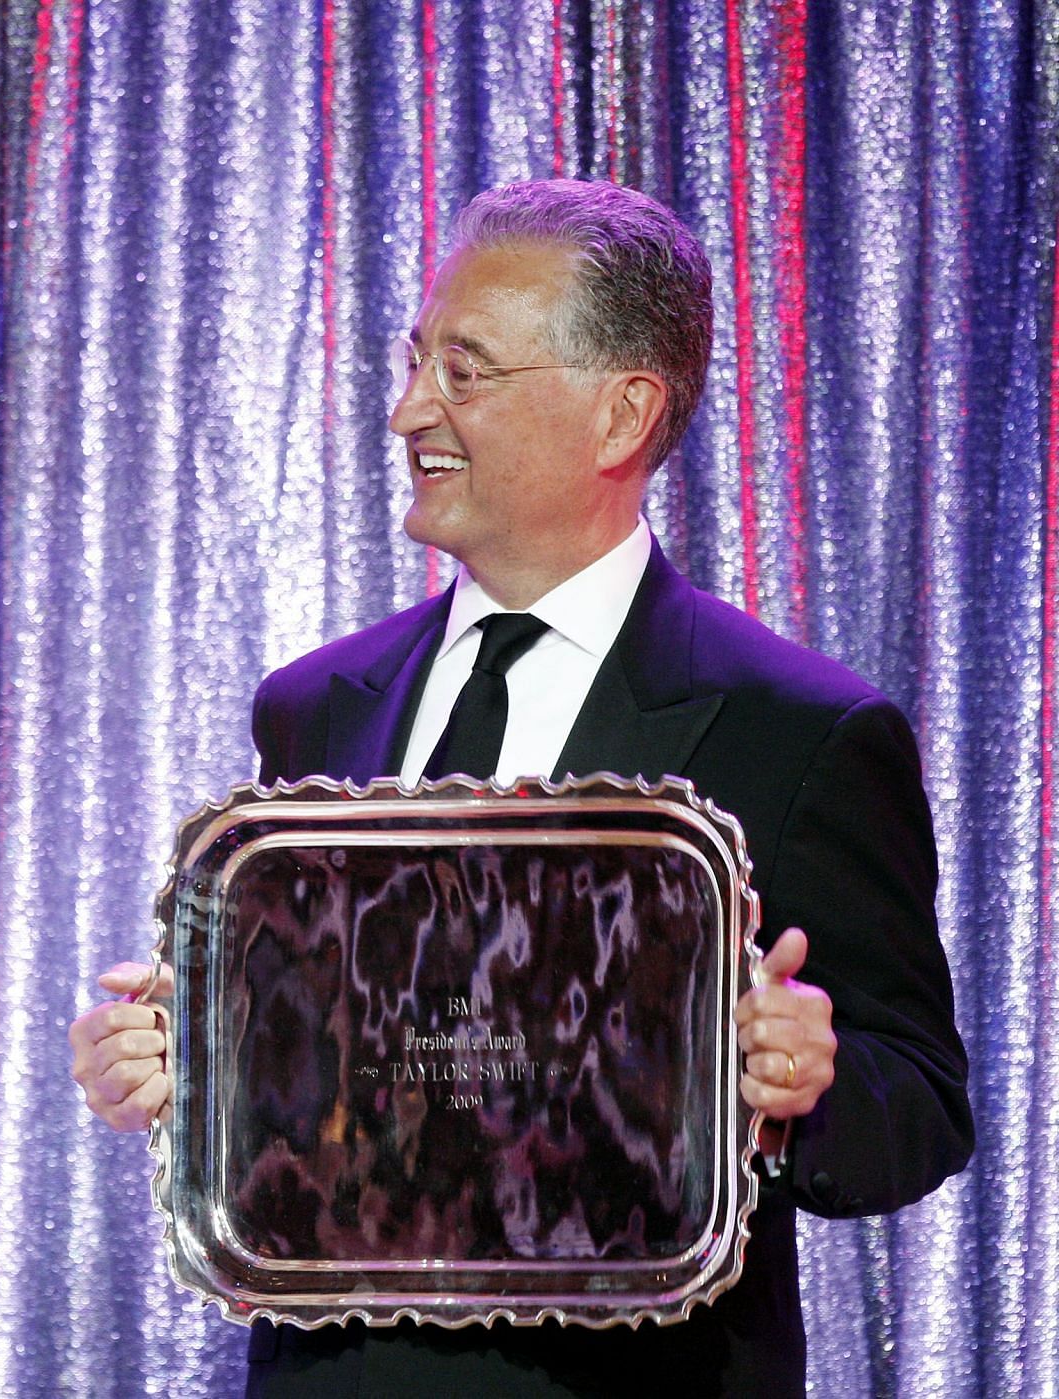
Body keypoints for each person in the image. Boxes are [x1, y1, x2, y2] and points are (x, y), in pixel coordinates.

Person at [69, 178, 972, 1397]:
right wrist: (178, 1055)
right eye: (415, 361)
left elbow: (916, 1104)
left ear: (622, 415)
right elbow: (316, 1074)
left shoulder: (801, 730)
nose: (408, 410)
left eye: (465, 371)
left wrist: (803, 1085)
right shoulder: (316, 705)